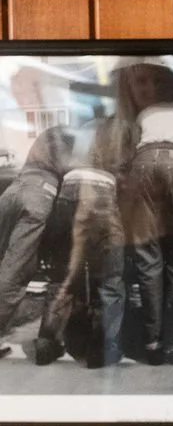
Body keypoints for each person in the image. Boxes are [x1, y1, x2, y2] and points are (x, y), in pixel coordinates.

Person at [119, 69, 173, 363]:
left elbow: (132, 147)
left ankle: (151, 342)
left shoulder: (147, 112)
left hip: (142, 168)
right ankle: (172, 341)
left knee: (148, 259)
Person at [34, 112, 136, 369]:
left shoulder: (84, 129)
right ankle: (102, 348)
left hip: (68, 190)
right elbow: (126, 170)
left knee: (62, 275)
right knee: (111, 278)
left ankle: (46, 342)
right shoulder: (122, 129)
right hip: (101, 193)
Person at [0, 125, 74, 359]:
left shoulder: (48, 135)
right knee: (15, 271)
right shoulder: (71, 139)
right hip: (41, 193)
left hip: (13, 190)